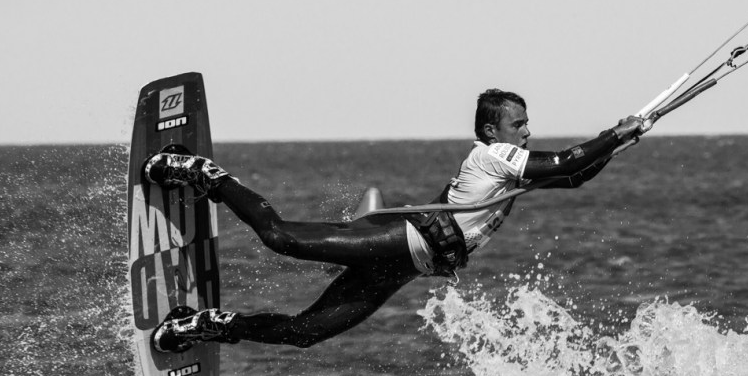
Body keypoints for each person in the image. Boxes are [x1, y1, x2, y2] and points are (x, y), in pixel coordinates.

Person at [146, 89, 649, 353]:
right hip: (397, 239)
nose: (527, 131)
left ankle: (203, 326)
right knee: (281, 238)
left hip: (405, 267)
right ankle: (199, 173)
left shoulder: (511, 172)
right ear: (492, 129)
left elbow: (574, 177)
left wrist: (624, 142)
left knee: (306, 333)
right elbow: (564, 163)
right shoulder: (493, 157)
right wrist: (613, 131)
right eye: (519, 124)